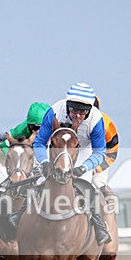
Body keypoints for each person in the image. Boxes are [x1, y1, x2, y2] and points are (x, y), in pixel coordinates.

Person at [16, 82, 112, 245]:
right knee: (40, 180)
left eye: (83, 112)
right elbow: (39, 142)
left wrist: (83, 167)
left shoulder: (96, 119)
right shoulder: (54, 111)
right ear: (67, 105)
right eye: (74, 110)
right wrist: (45, 162)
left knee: (88, 186)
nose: (78, 116)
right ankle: (18, 215)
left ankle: (99, 226)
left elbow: (100, 152)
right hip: (58, 148)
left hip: (82, 151)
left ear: (90, 110)